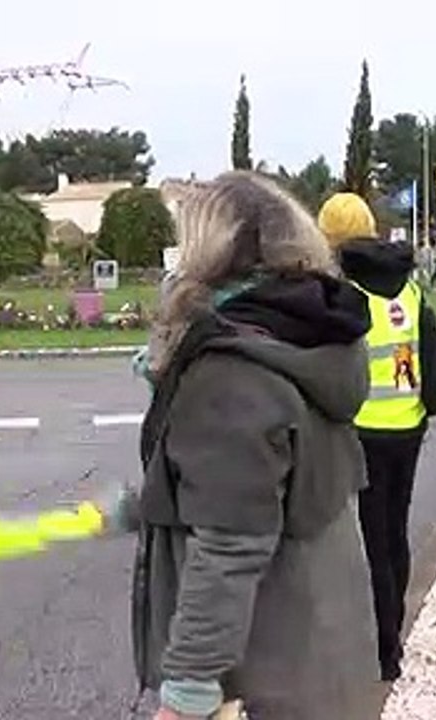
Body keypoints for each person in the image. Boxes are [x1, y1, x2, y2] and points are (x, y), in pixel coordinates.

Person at [133, 172, 379, 720]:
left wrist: (188, 693)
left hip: (260, 679)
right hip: (323, 651)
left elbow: (229, 544)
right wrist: (146, 503)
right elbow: (275, 480)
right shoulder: (313, 334)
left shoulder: (229, 374)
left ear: (211, 252)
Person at [316, 192, 436, 683]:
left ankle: (385, 650)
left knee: (373, 541)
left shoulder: (342, 292)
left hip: (366, 430)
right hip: (410, 425)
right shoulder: (410, 286)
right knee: (394, 535)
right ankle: (393, 633)